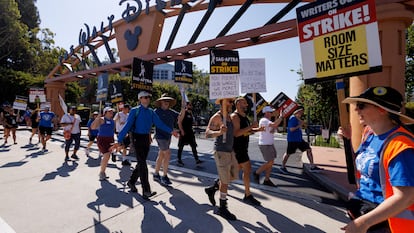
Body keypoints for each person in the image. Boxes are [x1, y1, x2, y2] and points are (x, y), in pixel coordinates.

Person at [339, 86, 414, 233]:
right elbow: (366, 165)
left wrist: (363, 223)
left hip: (387, 225)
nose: (356, 110)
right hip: (368, 215)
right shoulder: (369, 133)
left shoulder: (401, 147)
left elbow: (406, 197)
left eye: (361, 105)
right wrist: (348, 140)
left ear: (382, 110)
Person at [112, 91, 178, 199]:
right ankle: (146, 191)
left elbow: (159, 124)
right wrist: (119, 140)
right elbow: (127, 126)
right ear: (140, 99)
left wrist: (171, 131)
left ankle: (131, 182)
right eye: (145, 97)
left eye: (148, 97)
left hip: (146, 139)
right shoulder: (135, 110)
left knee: (141, 163)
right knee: (143, 164)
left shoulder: (151, 112)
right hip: (137, 138)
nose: (147, 99)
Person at [204, 98, 239, 221]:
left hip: (230, 151)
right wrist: (219, 131)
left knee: (233, 176)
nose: (231, 103)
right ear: (222, 103)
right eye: (229, 101)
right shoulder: (217, 117)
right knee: (225, 182)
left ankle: (212, 188)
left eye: (231, 101)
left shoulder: (229, 117)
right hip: (221, 151)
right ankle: (222, 208)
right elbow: (207, 133)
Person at [230, 96, 263, 206]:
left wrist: (257, 129)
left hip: (243, 147)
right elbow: (236, 133)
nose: (247, 105)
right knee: (247, 169)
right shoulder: (235, 116)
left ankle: (218, 185)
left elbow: (246, 132)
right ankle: (247, 195)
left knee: (235, 173)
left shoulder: (244, 117)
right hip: (237, 148)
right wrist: (250, 127)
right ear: (238, 104)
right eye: (244, 103)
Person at [280, 106, 322, 174]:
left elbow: (303, 123)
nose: (301, 113)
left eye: (302, 112)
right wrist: (299, 125)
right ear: (297, 112)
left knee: (309, 149)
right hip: (293, 140)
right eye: (300, 112)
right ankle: (282, 166)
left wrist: (300, 122)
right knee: (288, 153)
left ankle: (312, 166)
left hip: (299, 140)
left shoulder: (296, 118)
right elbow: (291, 129)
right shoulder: (293, 118)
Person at [153, 93, 180, 186]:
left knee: (161, 155)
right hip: (160, 136)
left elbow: (180, 116)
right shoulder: (156, 111)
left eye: (168, 101)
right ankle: (164, 176)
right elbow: (153, 123)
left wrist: (184, 107)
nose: (166, 103)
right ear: (161, 102)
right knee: (167, 154)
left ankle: (156, 173)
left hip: (168, 136)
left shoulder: (171, 112)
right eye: (165, 101)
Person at [253, 106, 283, 187]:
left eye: (271, 112)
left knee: (271, 162)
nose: (271, 113)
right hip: (265, 144)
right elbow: (274, 125)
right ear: (266, 113)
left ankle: (267, 179)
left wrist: (277, 119)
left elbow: (273, 129)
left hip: (269, 144)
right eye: (270, 112)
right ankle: (257, 173)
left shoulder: (268, 121)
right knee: (270, 162)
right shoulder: (264, 120)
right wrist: (280, 117)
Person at [91, 107, 116, 181]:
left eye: (112, 111)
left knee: (107, 156)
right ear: (105, 112)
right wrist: (97, 118)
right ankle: (102, 173)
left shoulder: (113, 121)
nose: (111, 112)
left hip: (110, 139)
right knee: (106, 155)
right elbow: (93, 127)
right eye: (109, 111)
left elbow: (113, 130)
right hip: (102, 139)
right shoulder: (101, 119)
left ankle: (103, 172)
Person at [177, 102, 202, 166]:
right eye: (189, 105)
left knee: (193, 146)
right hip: (184, 131)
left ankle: (197, 160)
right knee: (181, 146)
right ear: (186, 105)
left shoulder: (191, 113)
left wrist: (195, 123)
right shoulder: (183, 112)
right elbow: (179, 122)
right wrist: (181, 130)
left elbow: (192, 122)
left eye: (191, 105)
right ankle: (179, 160)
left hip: (190, 132)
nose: (191, 106)